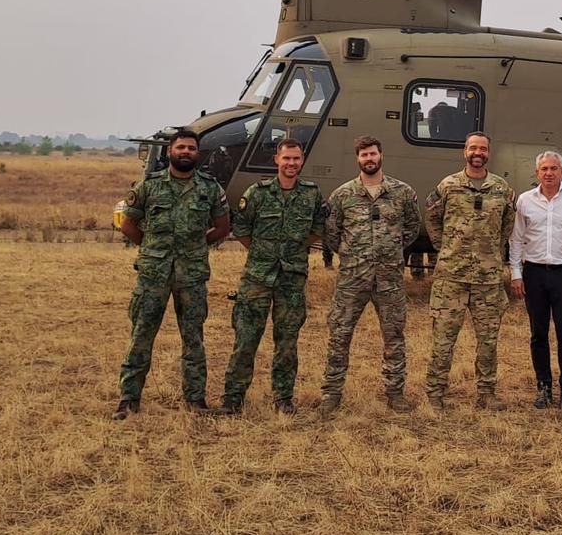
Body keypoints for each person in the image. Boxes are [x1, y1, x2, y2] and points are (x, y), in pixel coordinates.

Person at [114, 128, 231, 418]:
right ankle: (129, 400)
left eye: (191, 148)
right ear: (170, 151)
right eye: (181, 147)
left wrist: (196, 247)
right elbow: (128, 225)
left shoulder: (209, 188)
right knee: (141, 335)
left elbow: (222, 226)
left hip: (191, 275)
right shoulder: (148, 186)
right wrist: (152, 247)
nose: (186, 152)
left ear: (198, 154)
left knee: (193, 338)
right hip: (153, 273)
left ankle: (195, 400)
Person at [318, 135, 422, 417]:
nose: (369, 159)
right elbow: (332, 233)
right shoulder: (343, 195)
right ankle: (331, 393)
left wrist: (391, 250)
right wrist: (353, 255)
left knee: (394, 335)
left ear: (381, 155)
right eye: (364, 155)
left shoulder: (401, 192)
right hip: (353, 278)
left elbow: (412, 226)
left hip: (388, 279)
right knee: (339, 334)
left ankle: (395, 393)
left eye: (373, 154)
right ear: (358, 159)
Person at [218, 138, 323, 415]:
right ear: (276, 160)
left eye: (296, 159)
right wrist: (263, 253)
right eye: (286, 158)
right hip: (257, 278)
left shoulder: (311, 194)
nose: (291, 163)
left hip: (292, 278)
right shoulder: (257, 192)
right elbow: (241, 228)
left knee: (287, 343)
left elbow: (318, 228)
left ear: (302, 161)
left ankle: (283, 399)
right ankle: (233, 398)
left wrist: (295, 248)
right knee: (246, 339)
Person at [424, 132, 517, 410]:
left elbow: (506, 227)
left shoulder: (501, 189)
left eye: (483, 148)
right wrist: (447, 249)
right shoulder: (448, 186)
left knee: (488, 341)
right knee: (443, 339)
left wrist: (491, 251)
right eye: (473, 148)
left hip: (488, 280)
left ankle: (486, 394)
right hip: (451, 277)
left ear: (489, 153)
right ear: (465, 151)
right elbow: (431, 218)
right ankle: (435, 393)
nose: (478, 152)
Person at [509, 150, 562, 410]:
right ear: (537, 173)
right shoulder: (525, 201)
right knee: (538, 334)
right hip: (534, 273)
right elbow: (516, 239)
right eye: (544, 169)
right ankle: (544, 387)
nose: (549, 173)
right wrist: (516, 273)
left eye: (553, 169)